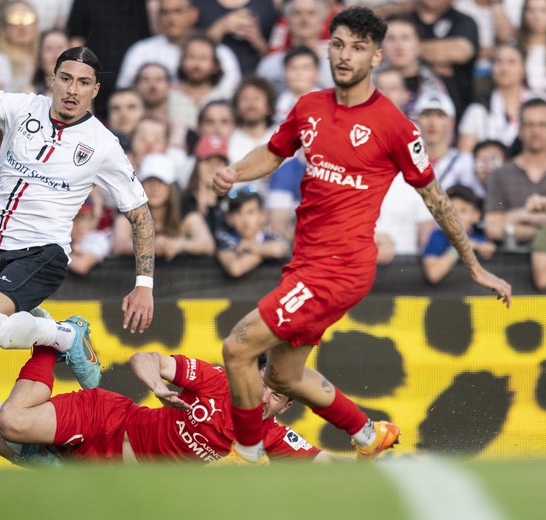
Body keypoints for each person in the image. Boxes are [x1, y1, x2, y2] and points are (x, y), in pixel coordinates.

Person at [210, 7, 511, 464]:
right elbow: (273, 154)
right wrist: (234, 172)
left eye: (358, 47)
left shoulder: (394, 126)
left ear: (377, 57)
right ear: (327, 47)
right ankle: (370, 435)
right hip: (306, 262)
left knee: (236, 347)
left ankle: (248, 457)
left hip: (340, 267)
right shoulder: (309, 107)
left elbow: (437, 200)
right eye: (338, 44)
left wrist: (472, 264)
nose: (345, 55)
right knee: (284, 377)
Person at [0, 47, 156, 446]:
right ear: (52, 80)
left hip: (42, 254)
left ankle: (66, 336)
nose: (72, 90)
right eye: (66, 79)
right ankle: (10, 434)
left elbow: (140, 215)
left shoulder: (102, 144)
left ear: (95, 90)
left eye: (83, 83)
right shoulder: (20, 108)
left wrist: (144, 284)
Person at [0, 348, 339, 464]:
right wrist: (158, 387)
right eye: (271, 384)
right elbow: (147, 358)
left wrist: (369, 448)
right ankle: (52, 344)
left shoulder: (266, 434)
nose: (271, 398)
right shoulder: (213, 380)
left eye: (283, 396)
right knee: (11, 421)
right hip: (107, 417)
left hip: (97, 469)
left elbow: (320, 463)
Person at [483, 98, 546, 247]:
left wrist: (516, 216)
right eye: (530, 125)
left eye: (542, 125)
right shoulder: (500, 174)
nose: (536, 131)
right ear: (520, 130)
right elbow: (492, 228)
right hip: (510, 263)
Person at [422, 184, 495, 284]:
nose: (456, 216)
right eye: (450, 211)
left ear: (475, 215)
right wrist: (460, 248)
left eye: (463, 211)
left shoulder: (479, 236)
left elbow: (489, 250)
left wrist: (487, 249)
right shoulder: (438, 237)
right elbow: (433, 274)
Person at [216, 188, 289, 278]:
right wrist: (266, 252)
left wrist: (248, 246)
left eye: (250, 212)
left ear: (262, 215)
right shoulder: (226, 239)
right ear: (229, 218)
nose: (245, 220)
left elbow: (278, 250)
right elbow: (235, 268)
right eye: (238, 214)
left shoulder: (272, 236)